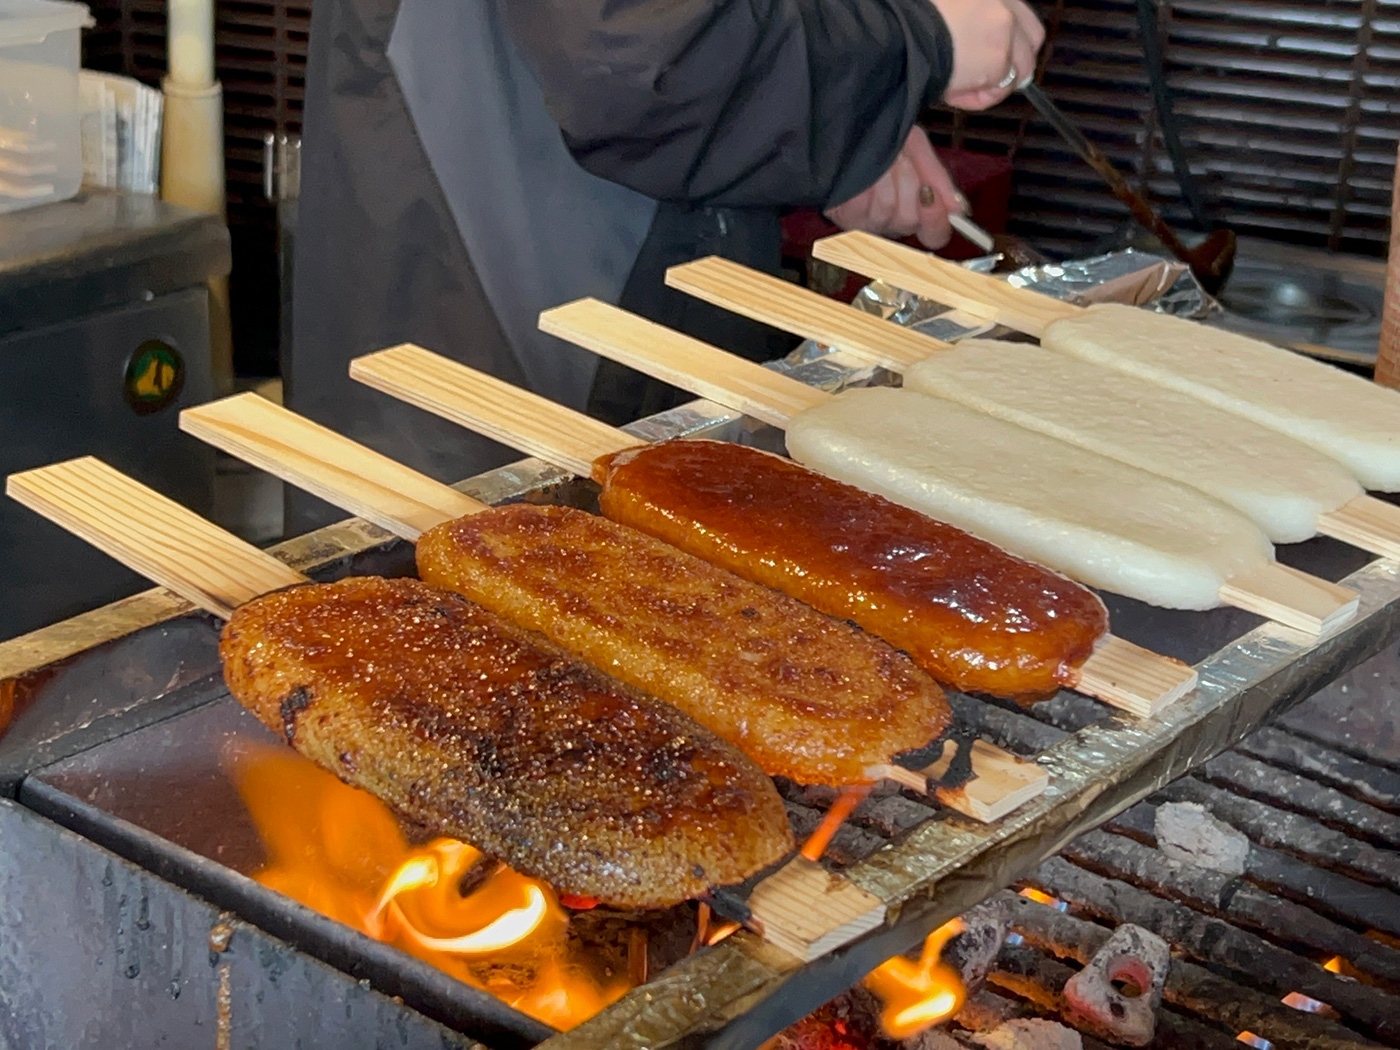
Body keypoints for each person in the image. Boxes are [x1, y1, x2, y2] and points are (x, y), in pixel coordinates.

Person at [287, 0, 1044, 533]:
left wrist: (840, 118)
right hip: (516, 340)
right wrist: (915, 37)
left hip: (552, 267)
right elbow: (642, 62)